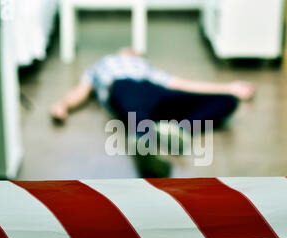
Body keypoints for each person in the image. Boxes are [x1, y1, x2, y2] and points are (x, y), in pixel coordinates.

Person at [50, 47, 256, 176]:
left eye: (136, 52)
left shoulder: (145, 66)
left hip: (157, 92)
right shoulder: (102, 65)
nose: (132, 51)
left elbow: (180, 83)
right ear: (119, 52)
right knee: (136, 108)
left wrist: (229, 88)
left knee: (227, 102)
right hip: (123, 88)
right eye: (129, 49)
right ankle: (145, 145)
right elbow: (81, 90)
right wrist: (64, 105)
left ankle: (177, 130)